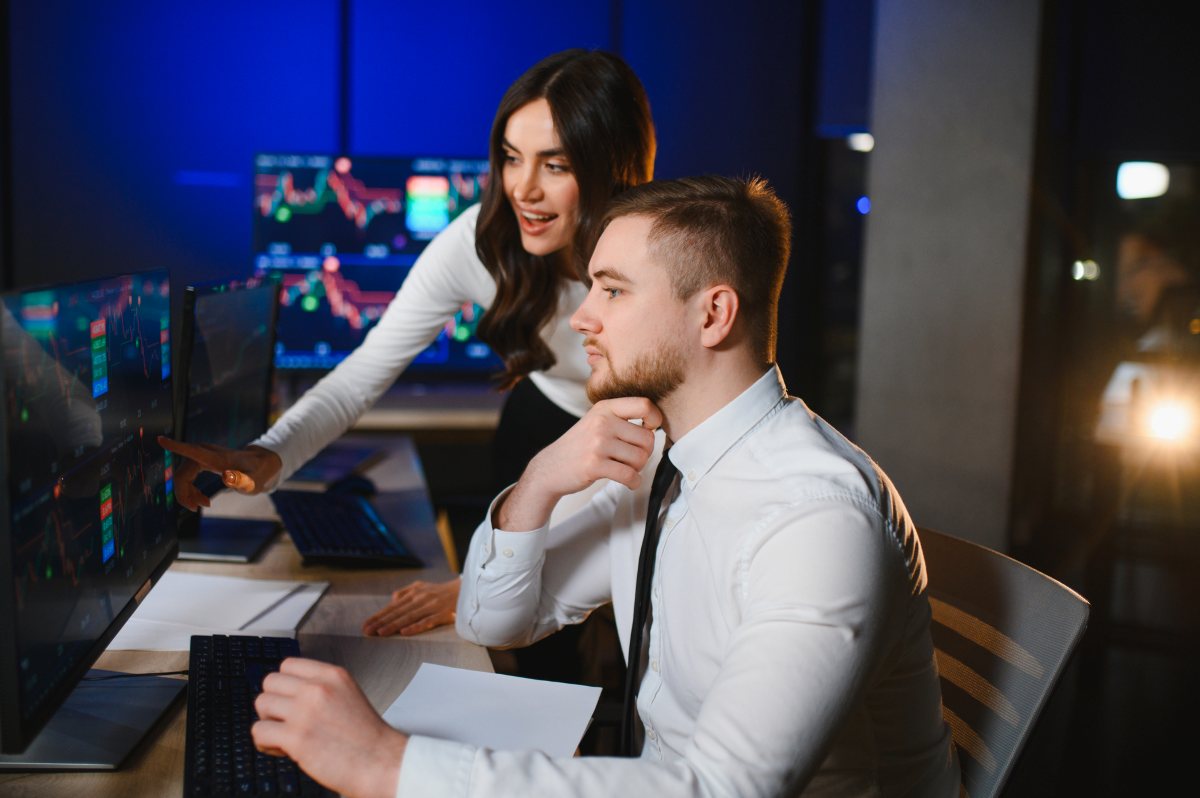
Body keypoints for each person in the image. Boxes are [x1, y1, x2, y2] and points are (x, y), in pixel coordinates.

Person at [249, 175, 961, 797]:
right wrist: (541, 481)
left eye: (613, 290)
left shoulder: (816, 519)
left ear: (712, 314)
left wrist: (389, 765)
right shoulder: (661, 462)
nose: (581, 317)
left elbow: (721, 791)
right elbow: (495, 622)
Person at [159, 49, 656, 642]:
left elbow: (658, 450)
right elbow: (365, 370)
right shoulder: (480, 241)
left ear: (613, 169)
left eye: (556, 165)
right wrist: (267, 457)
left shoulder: (660, 261)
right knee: (514, 632)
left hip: (639, 443)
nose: (522, 189)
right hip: (541, 417)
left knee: (564, 617)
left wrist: (484, 576)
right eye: (511, 158)